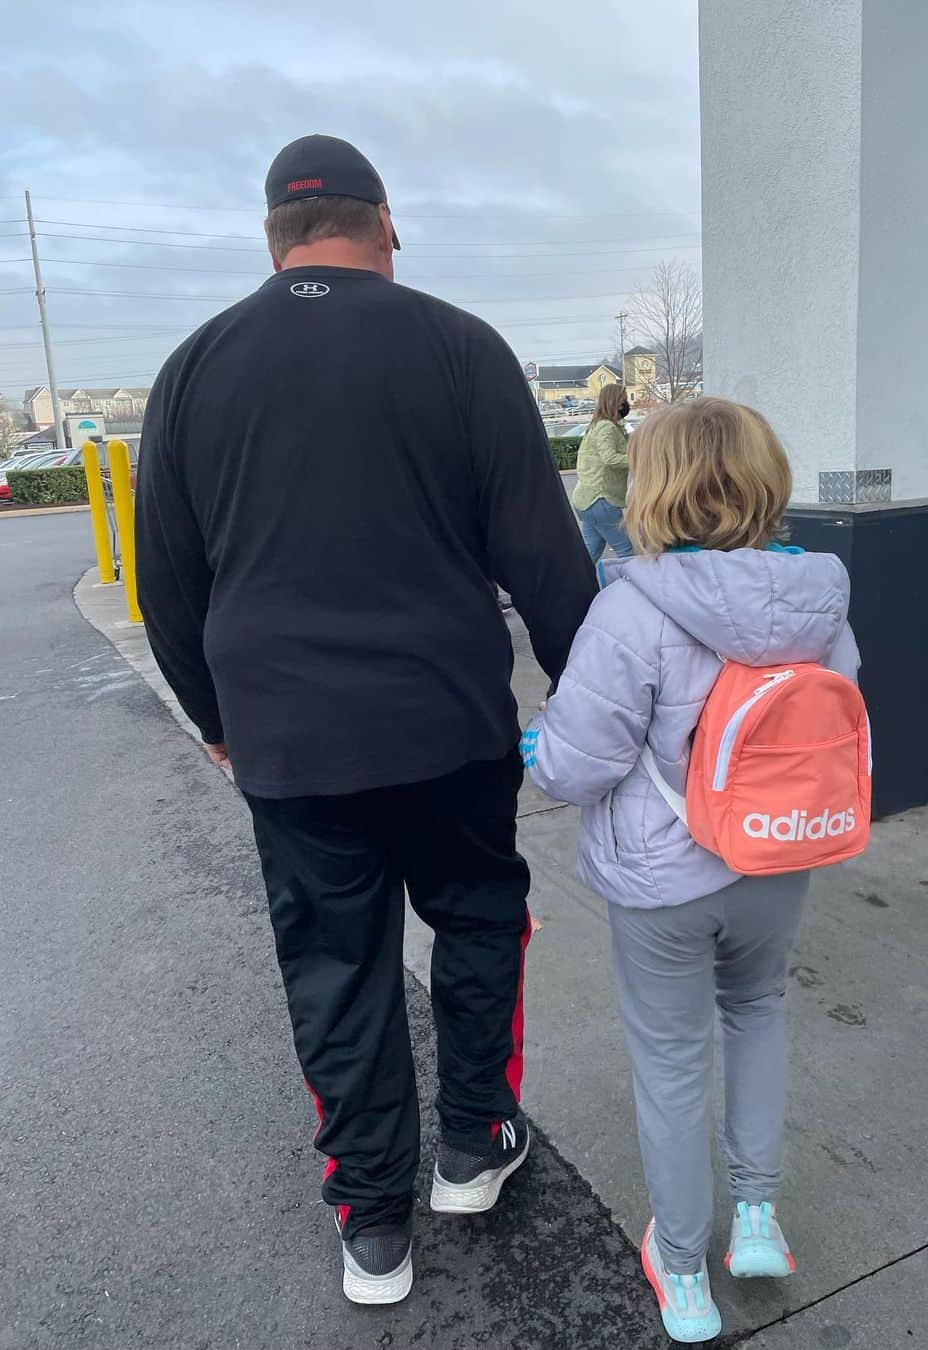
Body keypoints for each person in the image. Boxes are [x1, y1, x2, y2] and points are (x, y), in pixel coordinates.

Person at [135, 134, 597, 1306]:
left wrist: (216, 720)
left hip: (290, 740)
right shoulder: (461, 347)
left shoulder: (194, 368)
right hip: (445, 722)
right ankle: (473, 1146)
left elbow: (168, 577)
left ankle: (373, 1224)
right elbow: (543, 557)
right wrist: (599, 709)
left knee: (335, 965)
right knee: (481, 918)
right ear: (384, 224)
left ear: (273, 237)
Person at [521, 398, 858, 1344]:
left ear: (653, 487)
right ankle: (757, 1218)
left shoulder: (632, 608)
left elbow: (578, 763)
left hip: (665, 882)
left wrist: (532, 750)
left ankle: (683, 1270)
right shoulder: (819, 599)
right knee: (757, 1015)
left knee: (671, 1066)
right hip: (780, 856)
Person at [571, 382, 634, 562]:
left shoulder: (597, 426)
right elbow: (610, 458)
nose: (626, 403)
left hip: (586, 501)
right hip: (601, 501)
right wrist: (637, 460)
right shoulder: (607, 427)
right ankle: (629, 589)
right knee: (627, 552)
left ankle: (571, 587)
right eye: (624, 399)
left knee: (589, 555)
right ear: (615, 401)